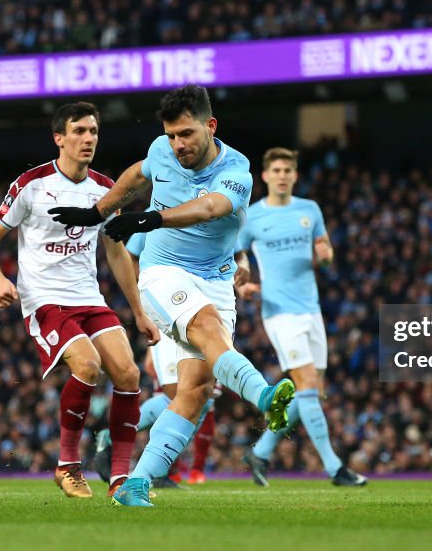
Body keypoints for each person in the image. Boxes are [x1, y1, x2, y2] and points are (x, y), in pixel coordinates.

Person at [48, 84, 294, 507]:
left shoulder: (237, 170)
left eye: (187, 134)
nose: (178, 144)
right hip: (163, 274)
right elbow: (138, 175)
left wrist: (150, 218)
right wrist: (97, 212)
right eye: (172, 135)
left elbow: (210, 208)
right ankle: (265, 397)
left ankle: (135, 484)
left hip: (215, 281)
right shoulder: (162, 149)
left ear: (210, 126)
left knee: (194, 393)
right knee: (207, 328)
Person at [0, 102, 158, 498]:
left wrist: (140, 312)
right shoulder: (32, 184)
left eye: (93, 131)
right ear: (59, 138)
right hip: (44, 299)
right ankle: (67, 465)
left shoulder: (105, 189)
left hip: (88, 297)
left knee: (128, 374)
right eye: (79, 131)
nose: (88, 138)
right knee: (89, 366)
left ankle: (120, 479)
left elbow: (115, 252)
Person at [234, 147, 367, 487]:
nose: (281, 175)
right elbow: (238, 252)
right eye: (275, 170)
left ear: (294, 175)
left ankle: (260, 452)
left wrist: (325, 255)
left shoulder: (310, 210)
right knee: (307, 386)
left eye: (287, 170)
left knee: (310, 393)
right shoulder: (254, 216)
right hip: (280, 313)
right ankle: (335, 468)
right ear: (265, 176)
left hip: (311, 310)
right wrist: (244, 279)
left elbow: (324, 253)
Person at [93, 229, 218, 488]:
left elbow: (232, 256)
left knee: (200, 396)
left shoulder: (210, 209)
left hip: (201, 312)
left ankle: (122, 442)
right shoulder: (155, 217)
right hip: (167, 312)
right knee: (182, 395)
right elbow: (127, 258)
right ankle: (155, 468)